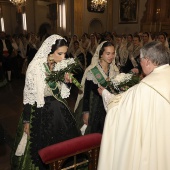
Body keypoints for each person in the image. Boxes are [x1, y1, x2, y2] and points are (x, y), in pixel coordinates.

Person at [11, 35, 80, 170]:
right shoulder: (35, 67)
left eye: (65, 54)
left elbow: (61, 92)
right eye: (59, 53)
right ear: (49, 51)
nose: (63, 58)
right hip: (39, 111)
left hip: (58, 111)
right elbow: (29, 96)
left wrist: (67, 82)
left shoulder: (60, 65)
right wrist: (26, 121)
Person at [97, 41, 170, 170]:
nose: (140, 64)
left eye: (140, 60)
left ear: (147, 61)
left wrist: (105, 94)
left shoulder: (145, 88)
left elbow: (119, 111)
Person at [74, 41, 119, 135]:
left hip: (108, 106)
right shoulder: (92, 71)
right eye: (108, 53)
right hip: (93, 106)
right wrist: (86, 112)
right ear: (101, 54)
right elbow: (86, 93)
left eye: (113, 53)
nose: (111, 56)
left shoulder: (115, 70)